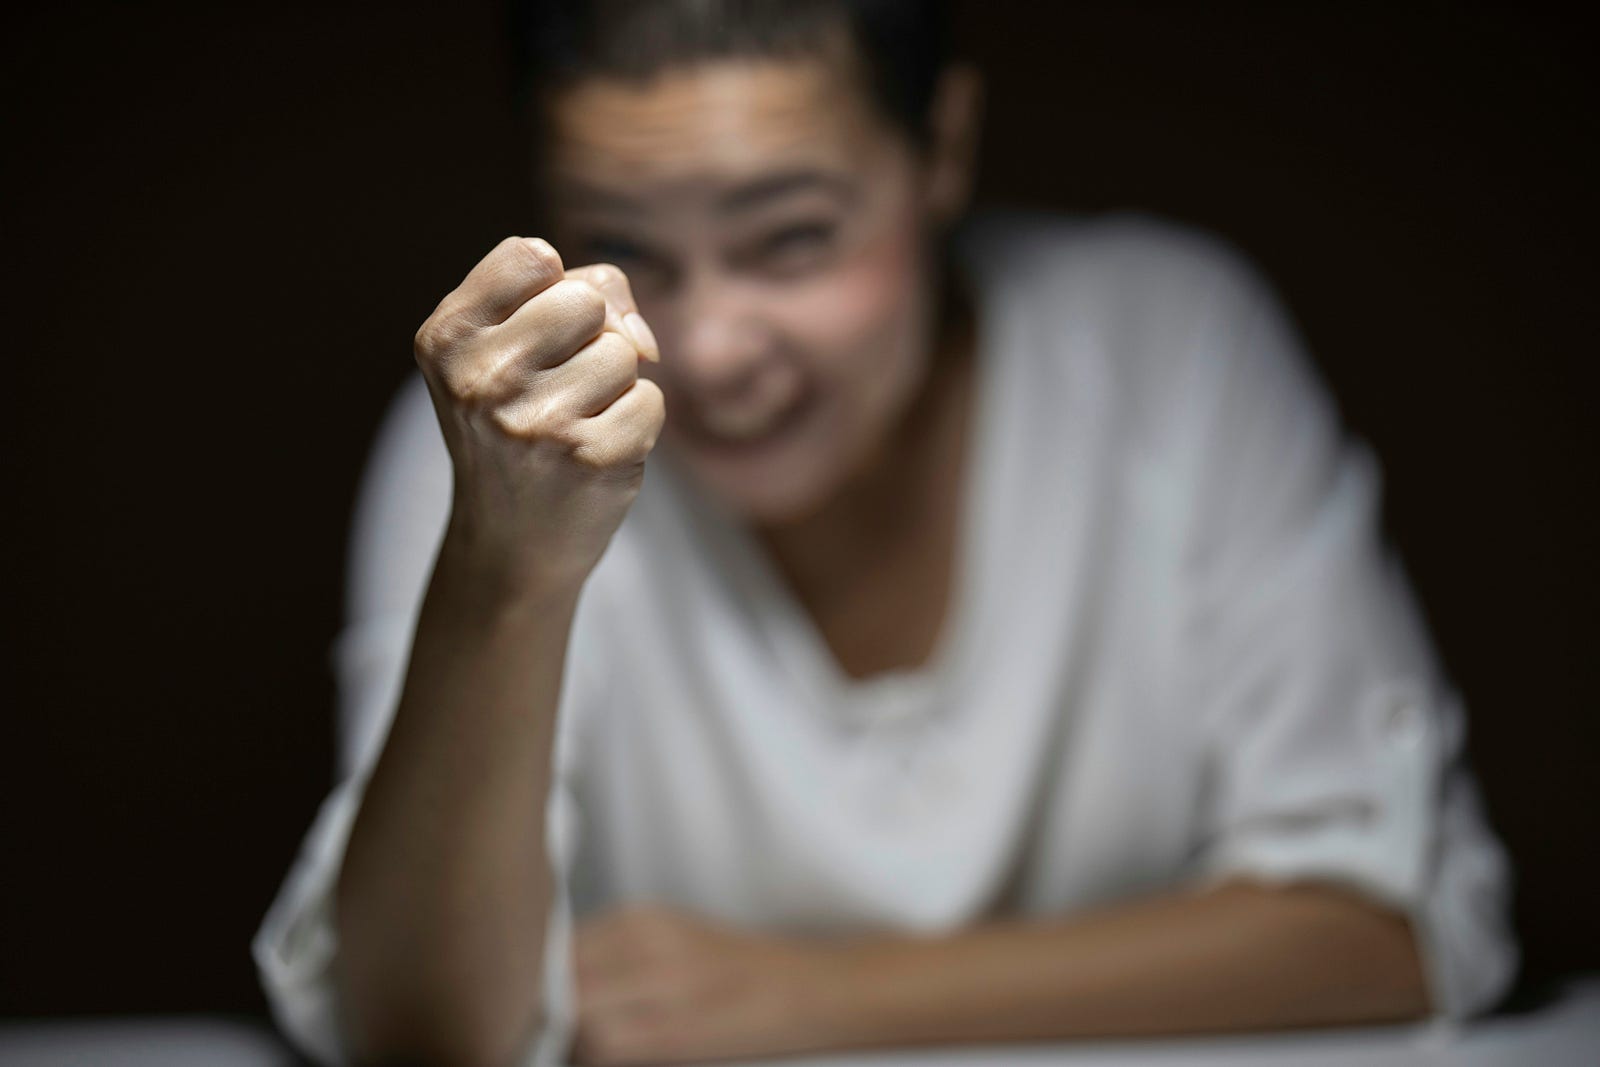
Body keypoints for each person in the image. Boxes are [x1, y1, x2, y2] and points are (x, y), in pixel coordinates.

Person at [254, 2, 1517, 1064]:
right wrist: (507, 569)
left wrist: (820, 993)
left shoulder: (1166, 348)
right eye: (625, 245)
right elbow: (416, 1028)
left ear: (943, 149)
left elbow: (1397, 918)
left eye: (792, 239)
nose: (704, 349)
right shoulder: (504, 436)